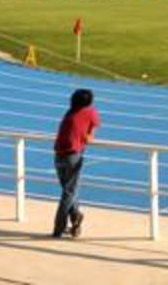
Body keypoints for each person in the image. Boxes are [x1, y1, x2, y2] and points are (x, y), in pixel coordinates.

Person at [53, 88, 99, 238]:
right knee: (69, 193)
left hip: (58, 155)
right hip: (73, 156)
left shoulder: (69, 112)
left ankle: (75, 221)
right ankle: (59, 228)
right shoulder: (90, 112)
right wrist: (86, 136)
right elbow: (90, 137)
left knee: (69, 191)